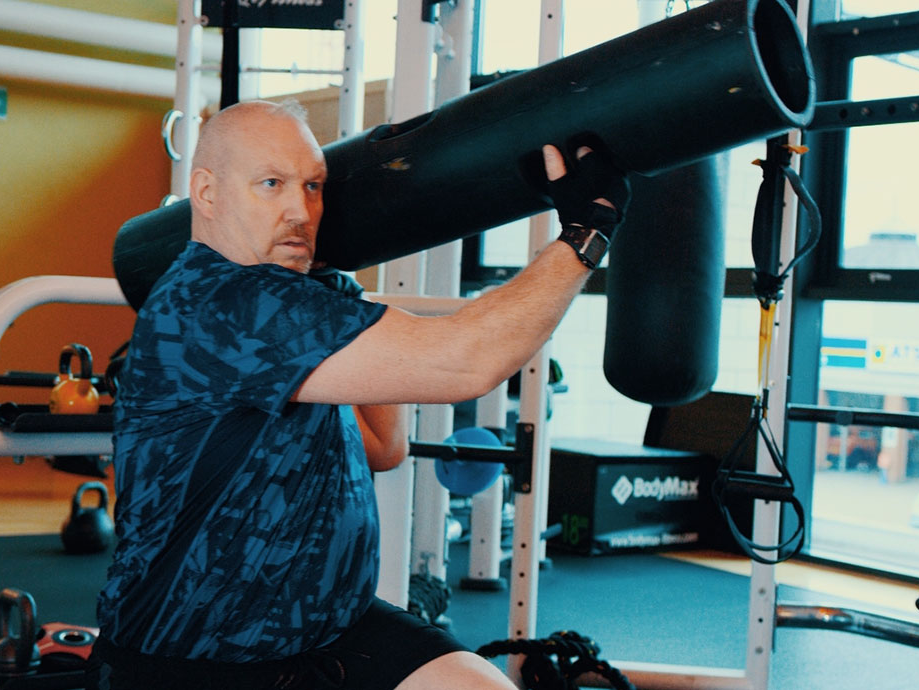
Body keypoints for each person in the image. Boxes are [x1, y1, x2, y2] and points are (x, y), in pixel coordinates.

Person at [87, 98, 629, 690]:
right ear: (207, 192)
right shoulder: (220, 304)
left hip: (329, 627)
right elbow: (468, 364)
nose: (300, 210)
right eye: (271, 184)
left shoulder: (301, 297)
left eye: (314, 187)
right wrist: (586, 232)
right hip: (195, 656)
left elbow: (381, 446)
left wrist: (344, 300)